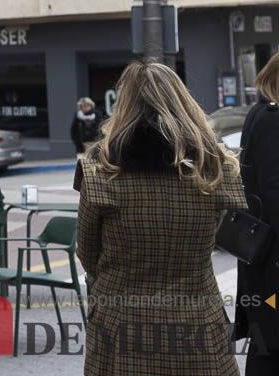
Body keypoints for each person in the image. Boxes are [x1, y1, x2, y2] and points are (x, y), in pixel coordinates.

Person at [76, 60, 246, 376]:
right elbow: (211, 237)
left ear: (123, 106)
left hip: (120, 323)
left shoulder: (102, 171)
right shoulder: (212, 169)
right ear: (184, 103)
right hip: (197, 322)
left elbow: (87, 254)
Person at [235, 51, 279, 375]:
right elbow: (273, 189)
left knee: (268, 341)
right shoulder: (271, 119)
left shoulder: (260, 113)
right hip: (272, 257)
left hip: (263, 251)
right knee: (270, 343)